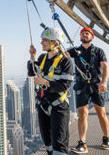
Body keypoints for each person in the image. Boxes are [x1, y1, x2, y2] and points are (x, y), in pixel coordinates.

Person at [28, 27, 74, 155]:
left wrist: (45, 82)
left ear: (55, 43)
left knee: (59, 144)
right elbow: (32, 71)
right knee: (48, 143)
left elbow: (65, 84)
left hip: (58, 106)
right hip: (43, 105)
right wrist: (32, 57)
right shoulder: (43, 58)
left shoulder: (65, 61)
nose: (42, 42)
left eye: (45, 40)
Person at [68, 27, 109, 154]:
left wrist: (103, 82)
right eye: (83, 33)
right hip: (82, 86)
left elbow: (104, 66)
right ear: (80, 36)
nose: (85, 35)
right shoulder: (75, 51)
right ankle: (82, 143)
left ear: (92, 36)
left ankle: (106, 138)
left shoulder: (98, 51)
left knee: (101, 112)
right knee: (82, 114)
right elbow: (62, 55)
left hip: (96, 85)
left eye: (87, 33)